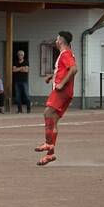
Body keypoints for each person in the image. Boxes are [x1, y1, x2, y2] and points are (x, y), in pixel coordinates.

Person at [35, 31, 78, 166]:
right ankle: (50, 155)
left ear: (60, 40)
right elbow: (63, 70)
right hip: (67, 92)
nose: (56, 41)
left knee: (47, 113)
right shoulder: (66, 53)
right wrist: (51, 76)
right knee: (54, 121)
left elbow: (74, 69)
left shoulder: (65, 53)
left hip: (62, 91)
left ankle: (48, 144)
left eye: (57, 38)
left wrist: (62, 83)